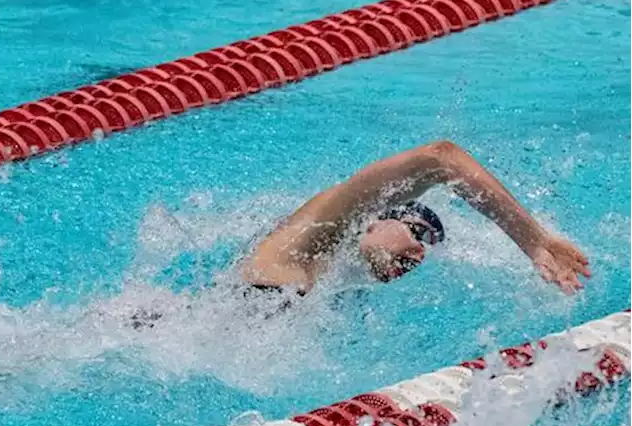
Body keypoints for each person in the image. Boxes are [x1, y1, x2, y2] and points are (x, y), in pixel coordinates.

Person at [241, 140, 591, 296]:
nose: (417, 254)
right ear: (378, 217)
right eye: (414, 233)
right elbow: (440, 158)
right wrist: (533, 240)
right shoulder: (314, 234)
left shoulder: (335, 279)